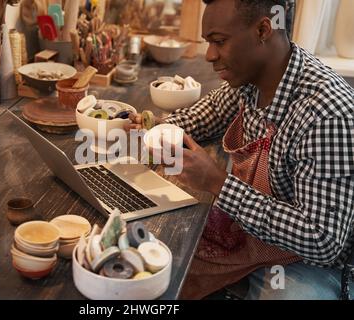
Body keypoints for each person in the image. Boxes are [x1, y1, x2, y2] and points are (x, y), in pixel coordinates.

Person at [125, 0, 354, 300]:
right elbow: (199, 118)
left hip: (307, 262)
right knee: (149, 264)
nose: (209, 55)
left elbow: (322, 240)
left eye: (219, 41)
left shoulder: (327, 114)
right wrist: (153, 127)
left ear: (262, 29)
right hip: (252, 234)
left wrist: (218, 183)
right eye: (209, 42)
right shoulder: (251, 79)